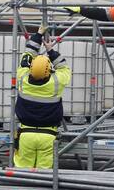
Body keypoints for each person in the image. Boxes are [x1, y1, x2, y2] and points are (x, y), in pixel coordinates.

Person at [13, 27, 72, 169]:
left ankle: (20, 189)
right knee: (44, 173)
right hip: (48, 136)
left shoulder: (22, 78)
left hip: (25, 134)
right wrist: (50, 51)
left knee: (22, 171)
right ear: (49, 70)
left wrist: (38, 34)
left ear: (30, 68)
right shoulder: (56, 83)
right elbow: (64, 67)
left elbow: (27, 55)